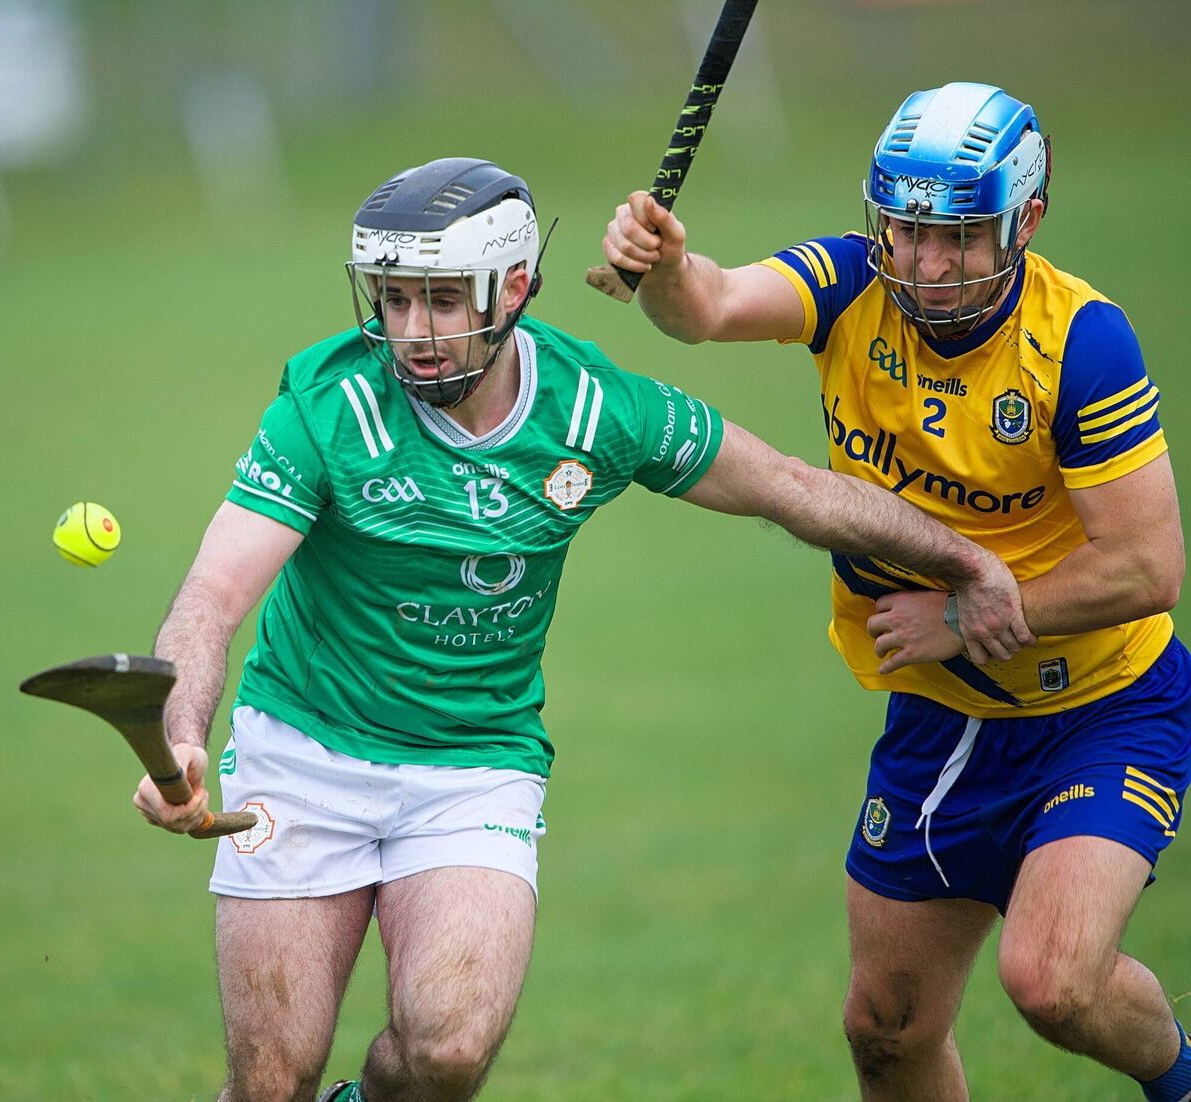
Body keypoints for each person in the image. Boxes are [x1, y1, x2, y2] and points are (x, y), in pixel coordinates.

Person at [133, 156, 1027, 1102]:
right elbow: (213, 595)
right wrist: (181, 735)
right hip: (304, 753)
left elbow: (793, 490)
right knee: (270, 1081)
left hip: (472, 765)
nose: (412, 333)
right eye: (394, 300)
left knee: (445, 1054)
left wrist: (965, 561)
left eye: (441, 300)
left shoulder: (596, 409)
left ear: (514, 287)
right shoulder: (327, 407)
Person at [603, 82, 1191, 1101]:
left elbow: (1148, 568)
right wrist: (664, 265)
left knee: (1052, 982)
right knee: (885, 1028)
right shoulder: (848, 282)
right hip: (943, 720)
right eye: (904, 229)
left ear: (1027, 219)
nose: (921, 264)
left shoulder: (1083, 344)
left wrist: (962, 617)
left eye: (955, 238)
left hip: (1107, 709)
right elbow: (705, 308)